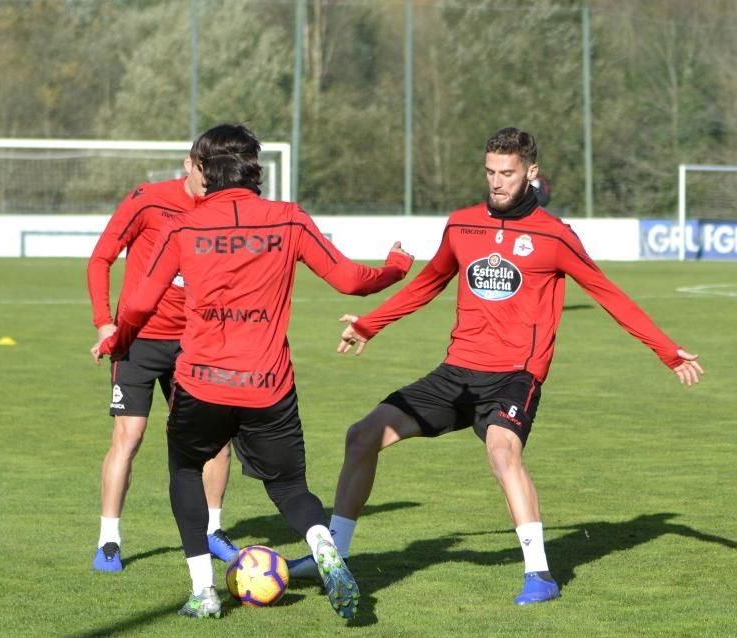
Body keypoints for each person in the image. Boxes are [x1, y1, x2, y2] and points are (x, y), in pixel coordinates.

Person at [288, 127, 704, 605]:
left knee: (503, 452)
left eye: (507, 173)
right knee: (362, 435)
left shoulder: (555, 236)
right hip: (455, 374)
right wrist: (369, 324)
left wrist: (666, 350)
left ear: (531, 173)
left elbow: (610, 296)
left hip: (513, 376)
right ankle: (333, 557)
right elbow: (427, 284)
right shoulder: (462, 225)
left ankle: (540, 575)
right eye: (490, 172)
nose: (497, 182)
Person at [93, 123, 414, 619]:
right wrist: (394, 266)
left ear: (205, 170)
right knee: (288, 487)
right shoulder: (288, 220)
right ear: (254, 171)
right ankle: (322, 543)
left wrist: (118, 337)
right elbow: (352, 280)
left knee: (184, 470)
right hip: (268, 385)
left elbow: (137, 302)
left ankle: (203, 593)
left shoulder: (185, 226)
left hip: (201, 382)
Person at [86, 152, 237, 572]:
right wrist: (104, 323)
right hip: (138, 340)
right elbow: (101, 257)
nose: (210, 179)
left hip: (196, 342)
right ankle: (109, 541)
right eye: (204, 169)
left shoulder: (224, 208)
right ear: (190, 164)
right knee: (129, 436)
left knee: (216, 439)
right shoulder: (148, 200)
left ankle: (213, 530)